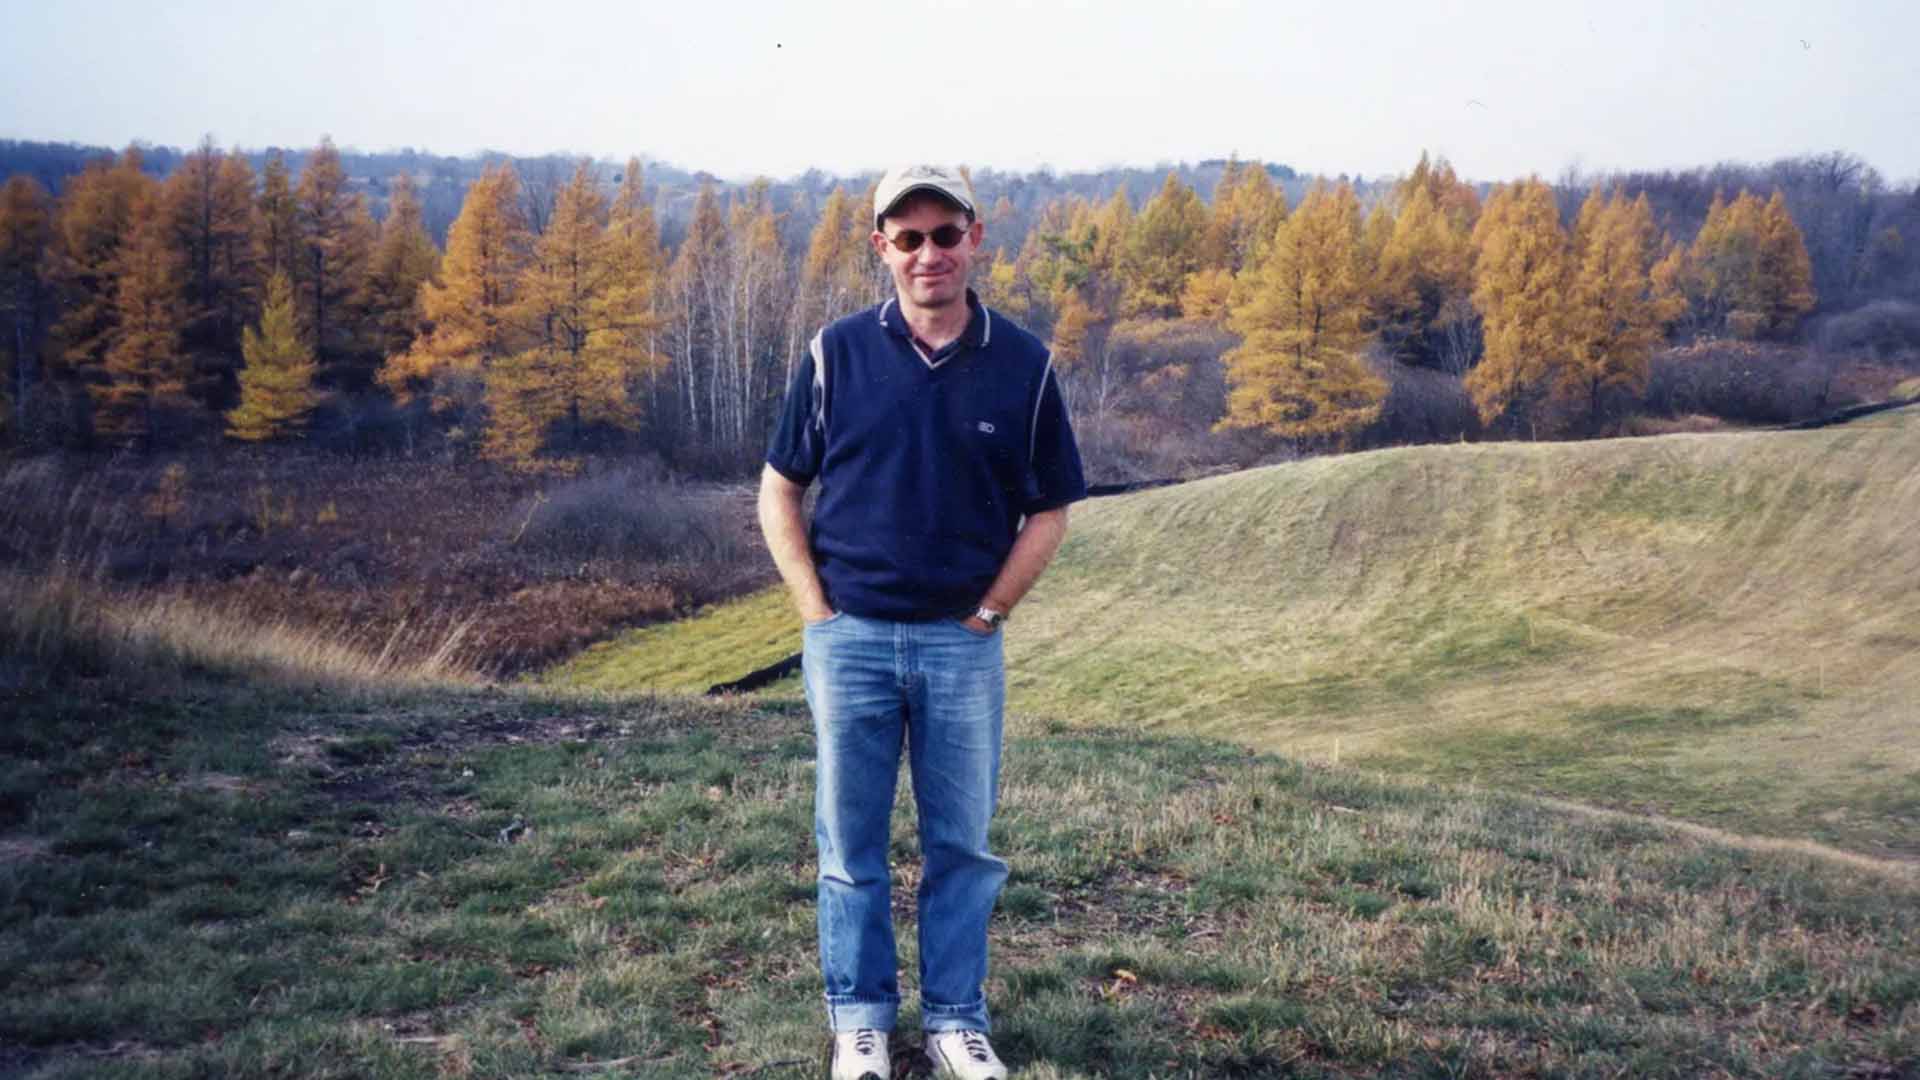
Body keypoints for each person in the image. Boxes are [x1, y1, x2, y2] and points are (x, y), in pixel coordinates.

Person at [757, 165, 1086, 1080]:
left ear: (974, 238)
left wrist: (990, 611)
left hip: (960, 646)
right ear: (882, 248)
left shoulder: (1025, 364)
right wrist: (816, 612)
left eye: (945, 234)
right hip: (851, 641)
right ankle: (860, 1024)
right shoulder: (834, 354)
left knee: (963, 849)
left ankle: (954, 1023)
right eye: (908, 238)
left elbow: (1051, 509)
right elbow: (780, 488)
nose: (928, 253)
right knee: (849, 847)